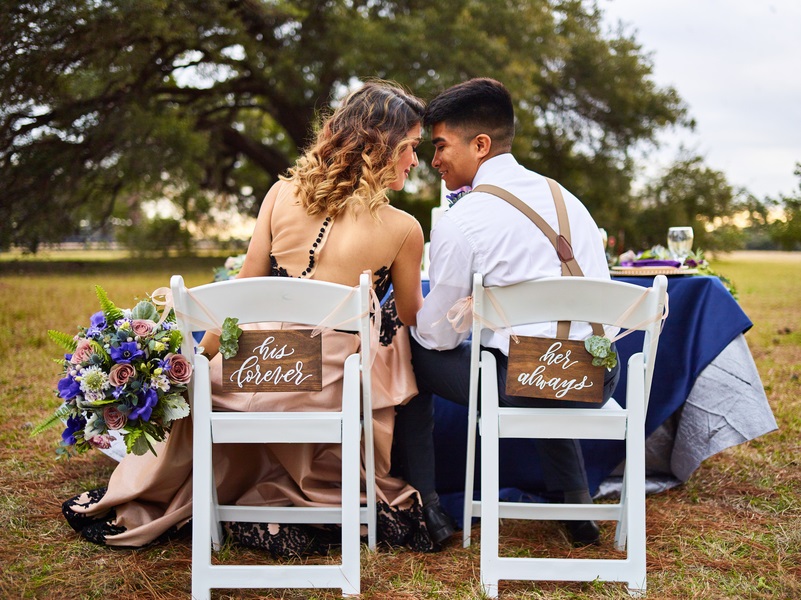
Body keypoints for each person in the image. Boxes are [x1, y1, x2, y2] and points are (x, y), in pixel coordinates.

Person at [62, 80, 443, 554]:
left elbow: (239, 293)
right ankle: (301, 489)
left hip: (251, 373)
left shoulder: (280, 196)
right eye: (409, 148)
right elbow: (411, 314)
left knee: (261, 380)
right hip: (324, 387)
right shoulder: (404, 230)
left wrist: (197, 364)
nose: (414, 160)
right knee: (389, 351)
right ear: (379, 147)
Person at [394, 78, 620, 547]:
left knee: (409, 350)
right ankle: (577, 510)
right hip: (597, 377)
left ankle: (426, 508)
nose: (433, 161)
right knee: (544, 356)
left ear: (480, 145)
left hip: (526, 384)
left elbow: (438, 338)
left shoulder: (465, 220)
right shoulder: (567, 199)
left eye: (440, 147)